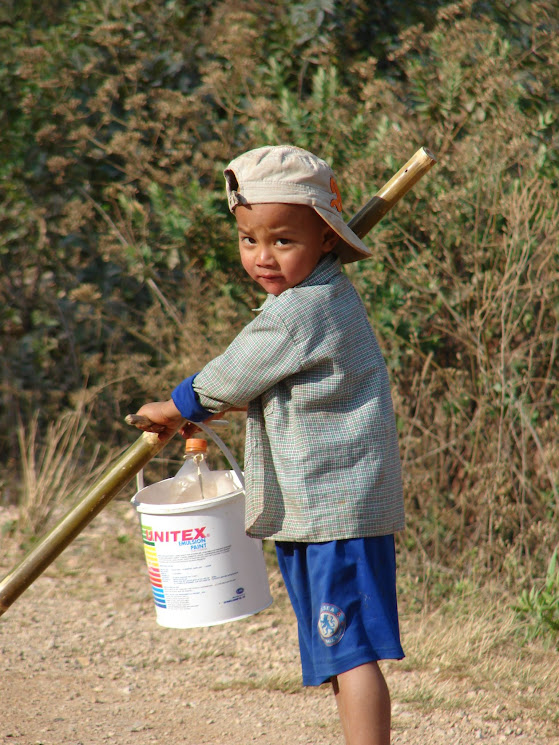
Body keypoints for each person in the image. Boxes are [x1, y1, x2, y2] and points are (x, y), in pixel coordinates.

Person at [132, 145, 405, 745]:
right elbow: (266, 381)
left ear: (328, 237)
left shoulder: (306, 307)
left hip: (337, 509)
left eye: (284, 241)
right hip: (319, 509)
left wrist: (176, 406)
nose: (263, 257)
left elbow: (236, 371)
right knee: (339, 647)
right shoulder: (306, 302)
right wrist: (206, 409)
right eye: (249, 240)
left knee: (351, 648)